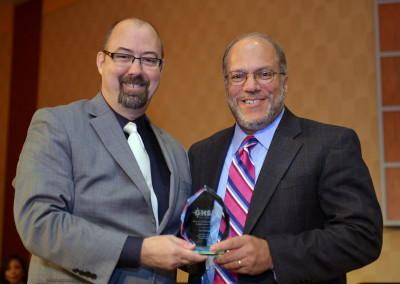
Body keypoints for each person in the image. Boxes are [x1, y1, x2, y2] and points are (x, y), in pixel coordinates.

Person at [13, 17, 207, 284]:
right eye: (123, 56)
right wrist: (139, 251)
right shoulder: (57, 125)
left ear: (161, 69)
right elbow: (39, 222)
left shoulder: (176, 152)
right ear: (101, 62)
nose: (136, 69)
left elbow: (179, 238)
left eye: (149, 59)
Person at [187, 32, 383, 283]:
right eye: (238, 76)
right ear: (226, 85)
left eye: (264, 74)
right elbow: (195, 238)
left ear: (285, 82)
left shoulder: (330, 144)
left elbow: (363, 236)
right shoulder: (201, 153)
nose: (251, 86)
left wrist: (273, 254)